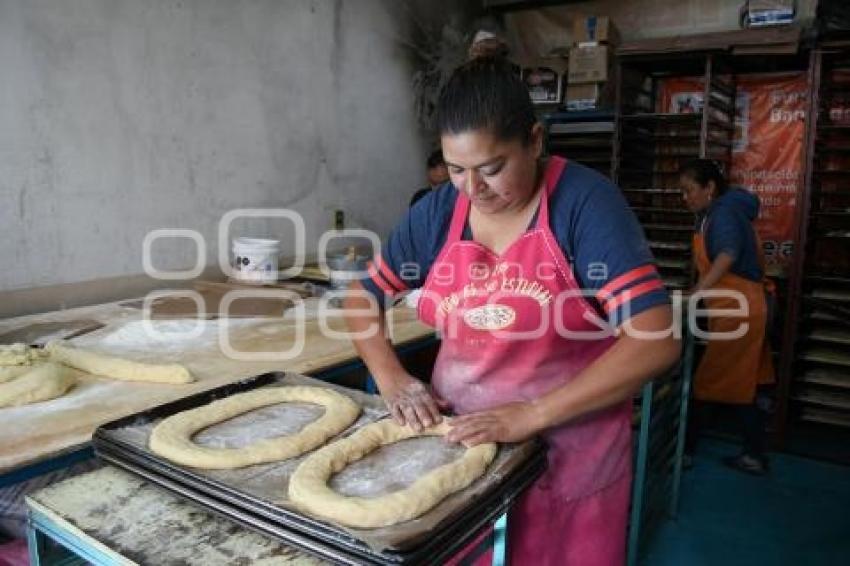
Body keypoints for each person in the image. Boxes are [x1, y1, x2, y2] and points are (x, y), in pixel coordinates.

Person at [345, 55, 679, 565]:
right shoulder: (437, 213)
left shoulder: (584, 205)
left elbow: (655, 339)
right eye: (456, 170)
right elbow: (363, 296)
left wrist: (534, 414)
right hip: (461, 444)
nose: (473, 190)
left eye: (492, 168)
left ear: (536, 141)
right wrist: (391, 377)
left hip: (569, 453)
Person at [680, 159, 775, 475]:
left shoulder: (723, 213)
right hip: (739, 307)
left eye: (689, 190)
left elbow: (727, 255)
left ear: (709, 188)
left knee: (710, 381)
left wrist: (695, 293)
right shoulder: (710, 216)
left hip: (740, 310)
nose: (685, 197)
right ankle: (754, 454)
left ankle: (686, 451)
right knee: (744, 383)